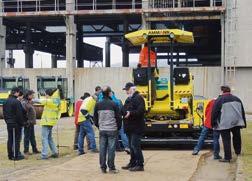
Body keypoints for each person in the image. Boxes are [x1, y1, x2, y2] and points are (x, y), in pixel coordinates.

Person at [211, 85, 246, 162]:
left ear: (222, 91)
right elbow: (242, 111)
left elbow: (214, 112)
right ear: (230, 91)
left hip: (224, 122)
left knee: (226, 139)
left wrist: (213, 123)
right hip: (236, 122)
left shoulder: (219, 100)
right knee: (237, 137)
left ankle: (227, 158)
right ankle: (238, 152)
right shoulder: (237, 99)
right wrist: (243, 123)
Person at [94, 86, 122, 174]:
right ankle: (111, 168)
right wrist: (118, 127)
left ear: (102, 93)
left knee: (102, 149)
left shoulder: (98, 104)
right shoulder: (114, 104)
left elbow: (95, 118)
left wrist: (99, 126)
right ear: (110, 93)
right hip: (112, 130)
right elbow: (118, 118)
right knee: (111, 149)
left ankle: (103, 168)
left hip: (102, 130)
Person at [121, 82, 145, 171]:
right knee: (131, 146)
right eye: (126, 90)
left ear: (132, 89)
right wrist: (123, 112)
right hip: (129, 127)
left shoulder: (139, 98)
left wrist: (130, 113)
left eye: (127, 90)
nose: (126, 92)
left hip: (136, 127)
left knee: (135, 145)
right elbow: (123, 109)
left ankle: (140, 164)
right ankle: (133, 162)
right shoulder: (128, 99)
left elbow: (141, 111)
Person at [3, 87, 25, 160]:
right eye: (18, 93)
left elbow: (4, 113)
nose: (19, 94)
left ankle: (10, 155)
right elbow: (19, 114)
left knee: (10, 139)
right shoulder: (16, 101)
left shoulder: (6, 101)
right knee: (16, 140)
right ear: (16, 92)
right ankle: (16, 156)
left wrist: (7, 121)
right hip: (16, 124)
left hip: (9, 123)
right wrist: (22, 123)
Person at [40, 89, 61, 159]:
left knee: (44, 138)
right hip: (51, 122)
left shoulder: (50, 101)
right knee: (49, 138)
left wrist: (32, 99)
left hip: (46, 121)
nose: (45, 95)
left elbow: (41, 101)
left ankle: (44, 155)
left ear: (47, 94)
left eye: (45, 94)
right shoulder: (57, 100)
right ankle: (55, 152)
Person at [22, 90, 40, 155]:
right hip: (28, 122)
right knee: (27, 136)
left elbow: (37, 101)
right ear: (28, 95)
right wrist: (26, 121)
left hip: (31, 122)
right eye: (32, 95)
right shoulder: (24, 102)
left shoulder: (30, 102)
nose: (33, 96)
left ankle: (34, 149)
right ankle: (26, 151)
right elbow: (23, 113)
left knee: (32, 136)